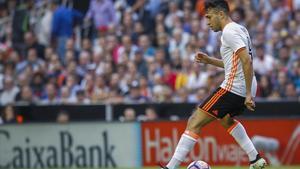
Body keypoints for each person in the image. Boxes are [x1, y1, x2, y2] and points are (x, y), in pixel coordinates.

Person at [161, 1, 267, 169]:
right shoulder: (240, 29)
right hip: (243, 85)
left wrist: (247, 94)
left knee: (195, 120)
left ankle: (170, 167)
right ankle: (255, 159)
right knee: (225, 120)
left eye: (209, 17)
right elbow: (236, 63)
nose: (208, 22)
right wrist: (209, 61)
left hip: (235, 86)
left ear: (221, 14)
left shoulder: (229, 32)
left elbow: (247, 61)